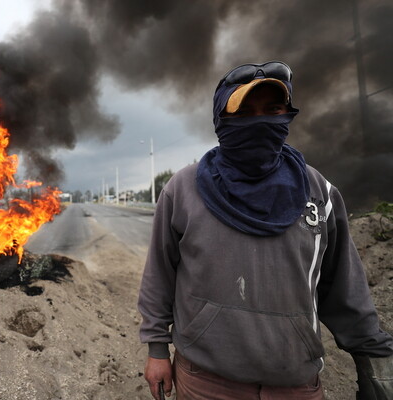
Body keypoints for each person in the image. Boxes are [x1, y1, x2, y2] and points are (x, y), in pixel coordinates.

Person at [137, 61, 393, 400]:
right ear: (221, 121)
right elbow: (159, 275)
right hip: (205, 383)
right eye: (244, 113)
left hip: (295, 385)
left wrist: (372, 360)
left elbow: (345, 288)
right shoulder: (183, 189)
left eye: (273, 110)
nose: (260, 122)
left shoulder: (319, 193)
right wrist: (157, 349)